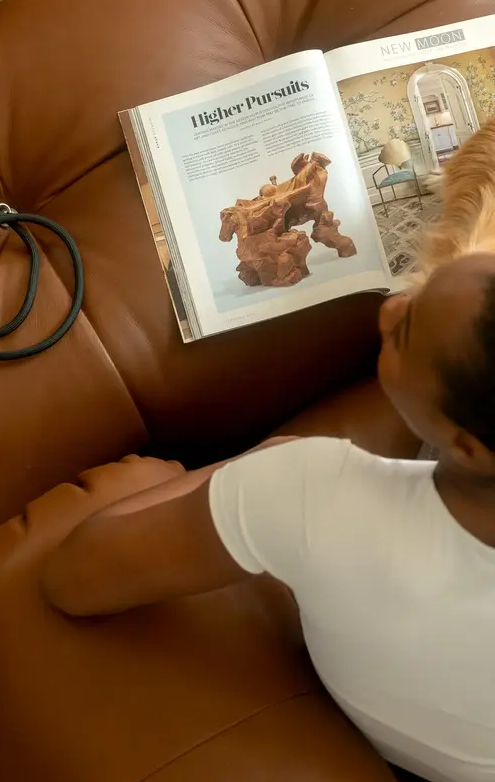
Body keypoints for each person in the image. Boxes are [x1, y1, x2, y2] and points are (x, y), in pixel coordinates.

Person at [41, 253, 495, 782]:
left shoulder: (313, 492)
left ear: (467, 447)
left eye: (409, 328)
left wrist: (263, 463)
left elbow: (73, 577)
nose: (391, 306)